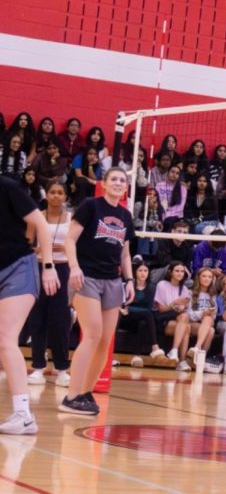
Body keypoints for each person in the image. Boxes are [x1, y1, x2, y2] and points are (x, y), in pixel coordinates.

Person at [59, 168, 135, 416]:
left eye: (122, 180)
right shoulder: (91, 206)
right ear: (103, 183)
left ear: (126, 187)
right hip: (87, 277)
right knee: (92, 334)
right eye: (113, 179)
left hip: (112, 281)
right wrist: (74, 268)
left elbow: (124, 253)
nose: (118, 183)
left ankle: (85, 393)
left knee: (104, 341)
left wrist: (130, 280)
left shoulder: (125, 215)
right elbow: (69, 240)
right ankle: (71, 396)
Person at [0, 175, 59, 435]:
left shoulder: (7, 187)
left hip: (18, 268)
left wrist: (48, 266)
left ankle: (23, 415)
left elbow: (41, 225)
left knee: (5, 340)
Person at [25, 183, 73, 386]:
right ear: (47, 195)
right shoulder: (37, 217)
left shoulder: (71, 218)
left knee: (60, 319)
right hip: (39, 269)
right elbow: (26, 243)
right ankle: (37, 366)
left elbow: (76, 245)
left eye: (59, 193)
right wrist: (40, 249)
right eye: (52, 192)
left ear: (65, 197)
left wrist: (64, 247)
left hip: (62, 269)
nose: (55, 196)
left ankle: (62, 368)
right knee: (37, 318)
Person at [121, 259, 165, 366]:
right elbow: (123, 305)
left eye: (145, 271)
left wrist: (131, 308)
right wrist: (128, 309)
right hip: (126, 317)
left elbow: (149, 308)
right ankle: (154, 346)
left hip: (141, 318)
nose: (143, 273)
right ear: (135, 272)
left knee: (144, 323)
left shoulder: (152, 288)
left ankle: (137, 356)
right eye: (140, 270)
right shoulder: (128, 286)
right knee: (147, 314)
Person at [153, 261, 191, 368]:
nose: (180, 273)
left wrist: (182, 307)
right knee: (186, 327)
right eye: (177, 271)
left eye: (182, 271)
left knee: (186, 323)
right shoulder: (162, 285)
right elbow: (160, 309)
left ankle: (174, 351)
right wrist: (174, 304)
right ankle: (181, 360)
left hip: (177, 319)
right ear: (170, 272)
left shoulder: (184, 289)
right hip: (162, 319)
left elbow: (183, 310)